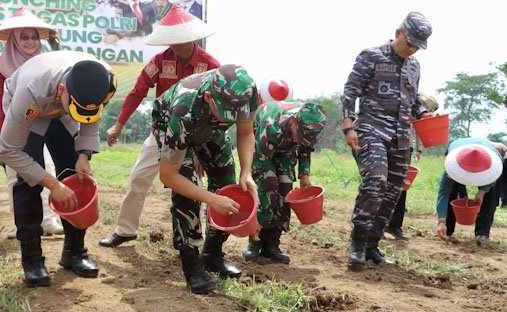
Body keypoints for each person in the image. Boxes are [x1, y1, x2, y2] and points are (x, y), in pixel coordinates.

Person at [99, 5, 218, 248]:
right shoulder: (160, 61)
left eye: (179, 40)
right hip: (161, 133)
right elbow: (137, 92)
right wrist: (118, 126)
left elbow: (216, 107)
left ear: (192, 37)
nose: (174, 45)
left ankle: (195, 241)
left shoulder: (209, 65)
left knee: (193, 188)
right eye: (170, 40)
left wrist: (201, 152)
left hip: (194, 137)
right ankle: (126, 229)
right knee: (137, 179)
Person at [0, 50, 117, 287]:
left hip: (64, 112)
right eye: (77, 107)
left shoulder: (105, 81)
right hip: (33, 109)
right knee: (29, 179)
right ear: (62, 90)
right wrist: (51, 184)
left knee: (73, 175)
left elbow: (91, 118)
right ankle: (32, 260)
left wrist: (83, 154)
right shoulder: (29, 93)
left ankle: (74, 252)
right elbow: (7, 150)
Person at [152, 64, 258, 294]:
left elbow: (245, 132)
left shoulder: (246, 91)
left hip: (211, 130)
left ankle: (212, 253)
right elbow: (169, 176)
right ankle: (191, 263)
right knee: (186, 191)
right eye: (227, 114)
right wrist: (210, 198)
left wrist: (246, 172)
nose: (233, 119)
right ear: (210, 97)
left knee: (228, 182)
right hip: (174, 120)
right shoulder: (183, 112)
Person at [341, 12, 433, 269]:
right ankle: (357, 242)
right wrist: (349, 127)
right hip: (371, 129)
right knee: (375, 181)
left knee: (392, 191)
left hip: (401, 137)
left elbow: (413, 100)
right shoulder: (371, 56)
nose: (412, 48)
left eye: (417, 45)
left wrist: (424, 114)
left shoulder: (415, 66)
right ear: (398, 32)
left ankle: (372, 246)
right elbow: (350, 93)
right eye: (410, 42)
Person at [0, 8, 64, 238]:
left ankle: (49, 221)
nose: (30, 42)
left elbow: (64, 76)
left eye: (34, 37)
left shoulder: (48, 60)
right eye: (24, 37)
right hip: (14, 124)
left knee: (46, 169)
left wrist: (56, 47)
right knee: (15, 175)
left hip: (44, 122)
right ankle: (20, 223)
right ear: (13, 40)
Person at [243, 100, 326, 264]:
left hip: (286, 149)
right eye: (300, 136)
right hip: (264, 147)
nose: (301, 141)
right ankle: (255, 242)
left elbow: (305, 147)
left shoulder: (309, 124)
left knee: (285, 191)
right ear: (294, 122)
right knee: (267, 186)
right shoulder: (271, 125)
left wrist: (304, 174)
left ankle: (272, 244)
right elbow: (259, 165)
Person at [386, 93, 439, 240]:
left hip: (404, 147)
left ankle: (394, 225)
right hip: (384, 141)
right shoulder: (398, 101)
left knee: (401, 186)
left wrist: (419, 150)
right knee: (379, 183)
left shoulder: (417, 111)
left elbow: (420, 131)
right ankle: (372, 224)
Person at [435, 138, 504, 243]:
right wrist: (441, 221)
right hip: (458, 151)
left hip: (485, 158)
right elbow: (444, 194)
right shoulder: (452, 167)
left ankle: (482, 233)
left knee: (490, 195)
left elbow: (493, 178)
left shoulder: (495, 162)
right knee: (452, 191)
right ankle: (446, 229)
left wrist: (482, 191)